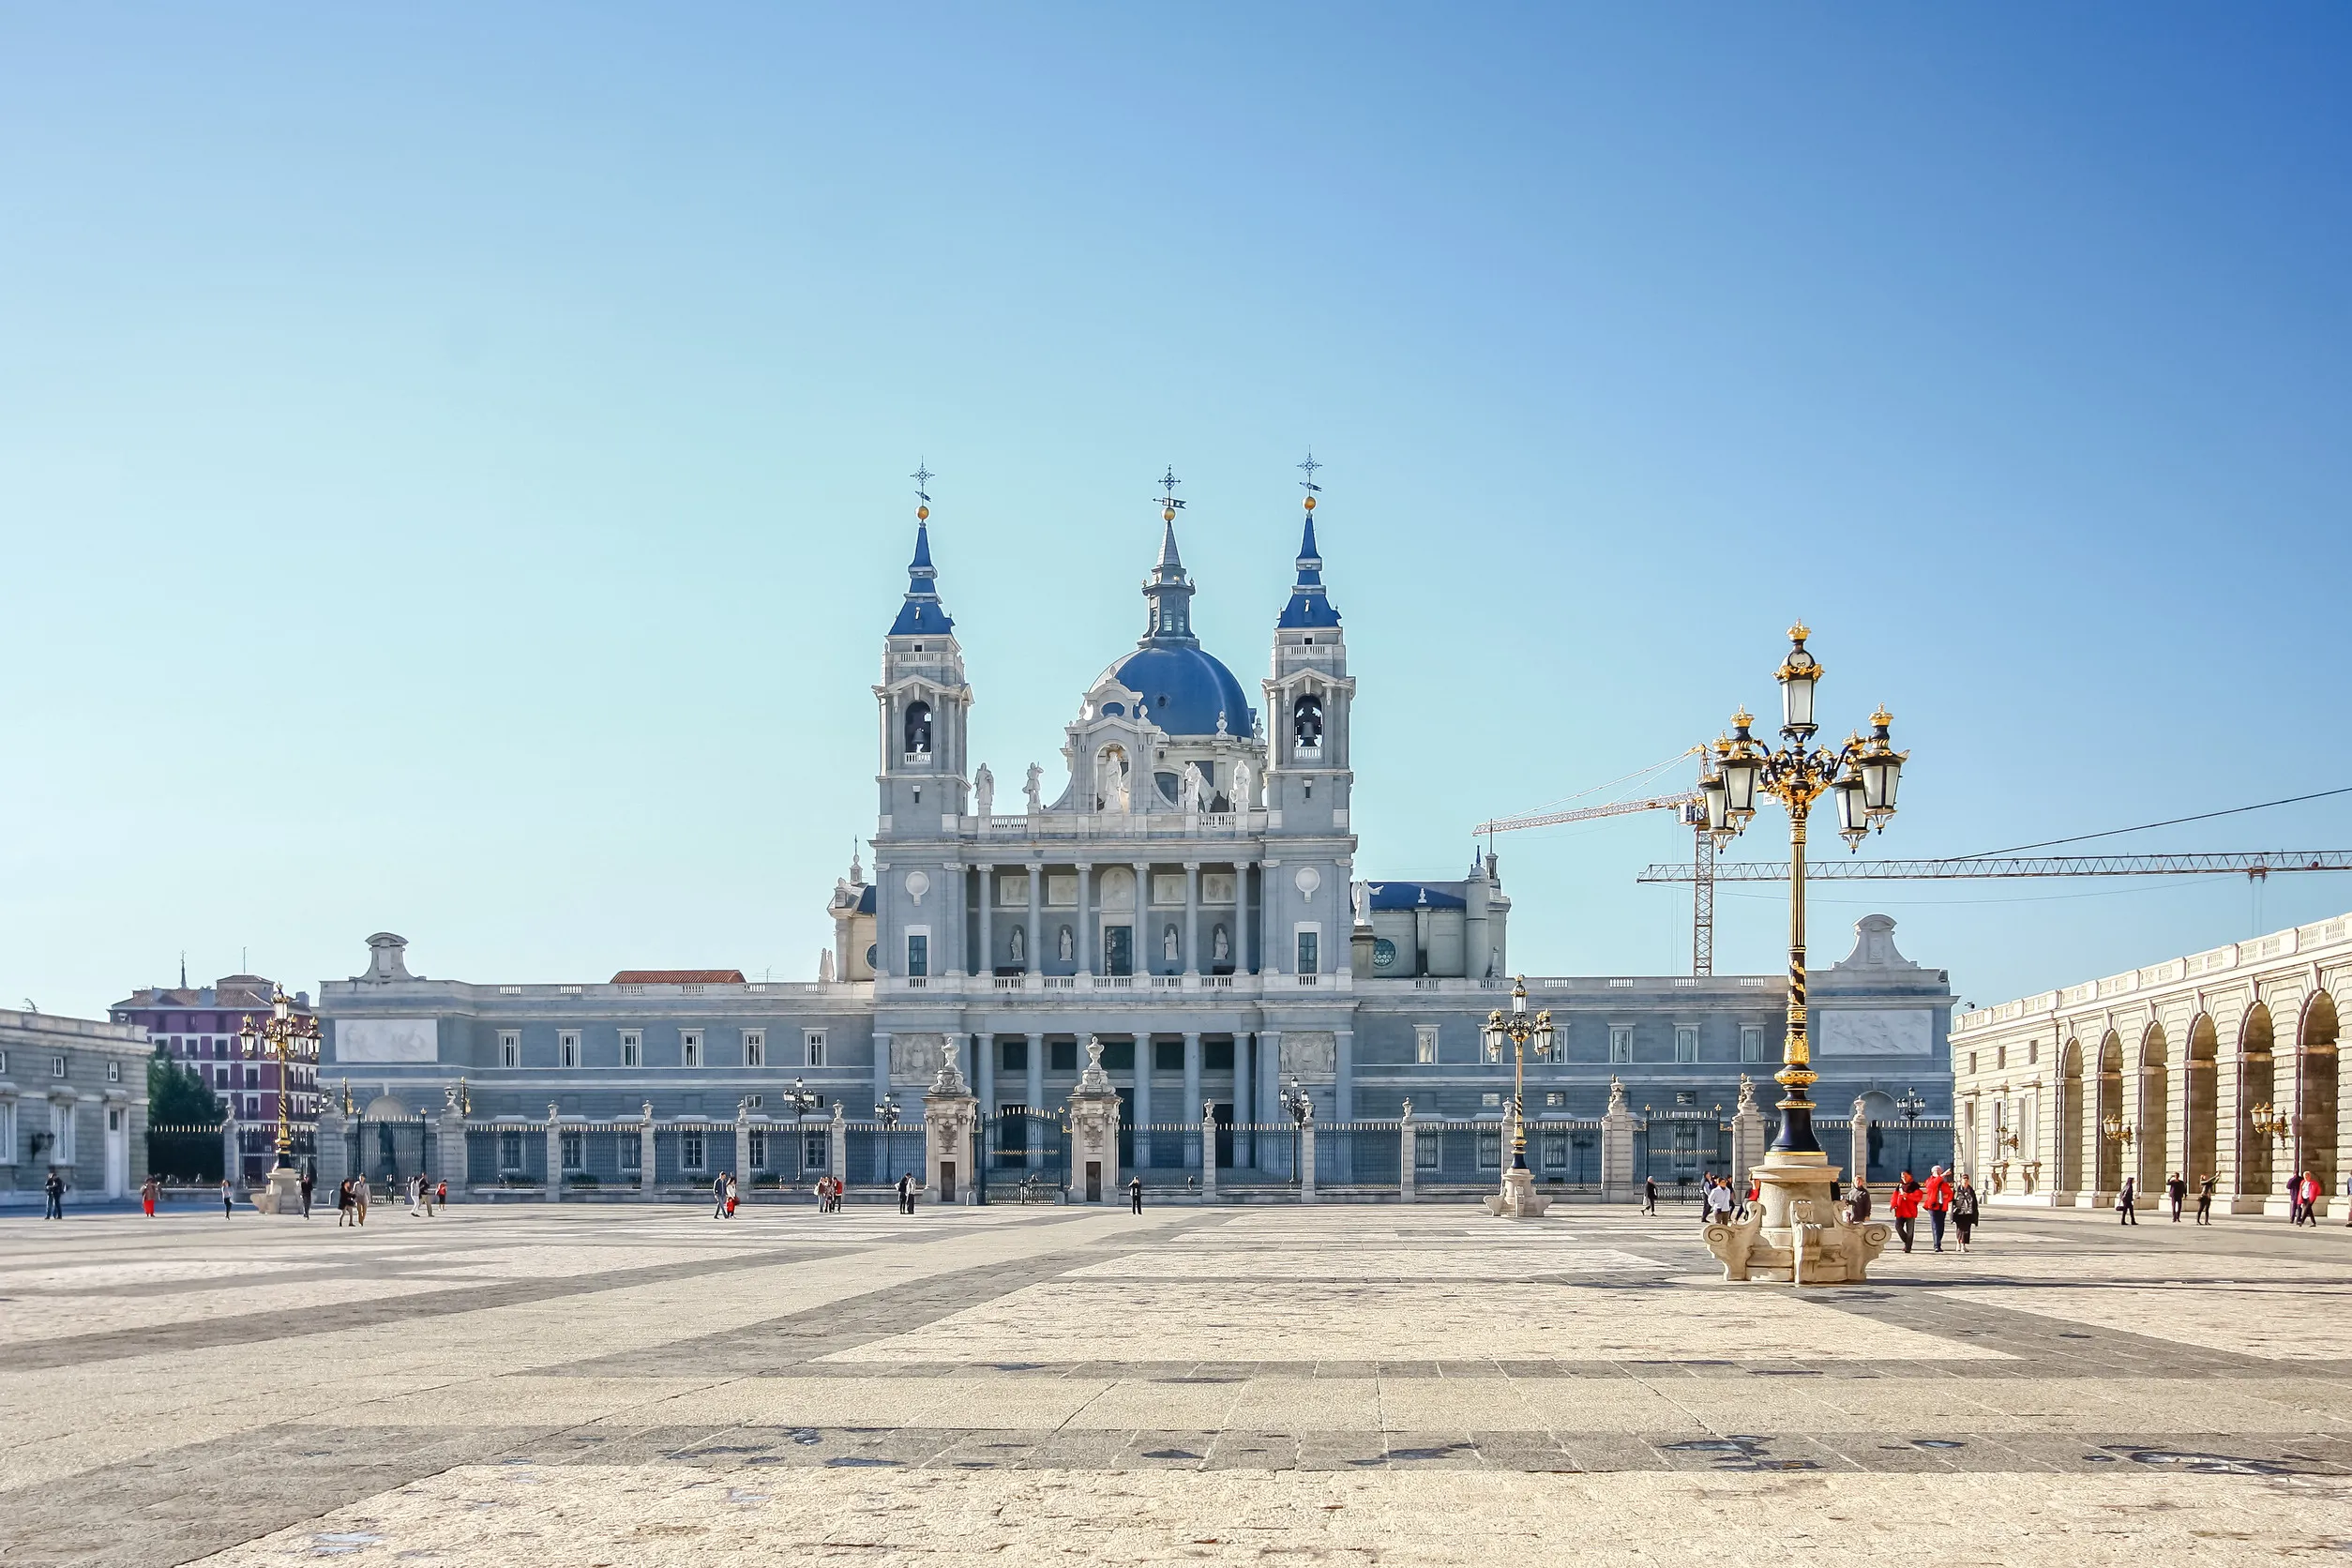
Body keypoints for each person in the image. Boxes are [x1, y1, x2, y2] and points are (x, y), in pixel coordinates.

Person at [1922, 1165, 1953, 1253]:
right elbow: (1933, 1185)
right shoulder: (1929, 1181)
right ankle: (1936, 1245)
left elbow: (1950, 1194)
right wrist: (1942, 1175)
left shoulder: (1944, 1184)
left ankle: (1938, 1242)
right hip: (1933, 1206)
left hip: (1942, 1206)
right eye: (1936, 1171)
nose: (1938, 1173)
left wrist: (1946, 1197)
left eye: (1939, 1171)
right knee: (1935, 1226)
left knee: (1941, 1227)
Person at [1890, 1173, 1922, 1252]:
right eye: (1902, 1177)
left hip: (1910, 1211)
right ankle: (1907, 1242)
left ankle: (1908, 1247)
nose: (1903, 1178)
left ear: (1910, 1176)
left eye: (1905, 1176)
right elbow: (1895, 1196)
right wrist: (1893, 1204)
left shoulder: (1914, 1186)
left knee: (1910, 1231)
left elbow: (1918, 1197)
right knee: (1898, 1227)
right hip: (1900, 1210)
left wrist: (1907, 1195)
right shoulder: (1899, 1186)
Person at [1951, 1174, 1981, 1253]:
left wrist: (1975, 1213)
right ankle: (1958, 1243)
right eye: (1964, 1179)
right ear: (1961, 1180)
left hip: (1968, 1212)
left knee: (1966, 1229)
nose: (1965, 1181)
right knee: (1959, 1228)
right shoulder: (1957, 1190)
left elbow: (1974, 1202)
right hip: (1959, 1212)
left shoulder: (1971, 1190)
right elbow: (1954, 1200)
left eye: (1967, 1179)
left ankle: (1963, 1245)